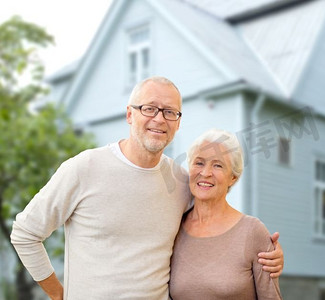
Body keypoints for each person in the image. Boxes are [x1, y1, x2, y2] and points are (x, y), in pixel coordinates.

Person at [10, 76, 283, 300]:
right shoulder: (84, 168)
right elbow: (24, 233)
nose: (159, 119)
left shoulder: (180, 181)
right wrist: (58, 295)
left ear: (177, 123)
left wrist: (267, 257)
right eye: (149, 108)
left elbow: (214, 223)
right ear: (130, 114)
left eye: (170, 112)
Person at [169, 128, 282, 300]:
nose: (205, 173)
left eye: (218, 165)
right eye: (199, 163)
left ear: (233, 178)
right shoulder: (173, 228)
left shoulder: (252, 231)